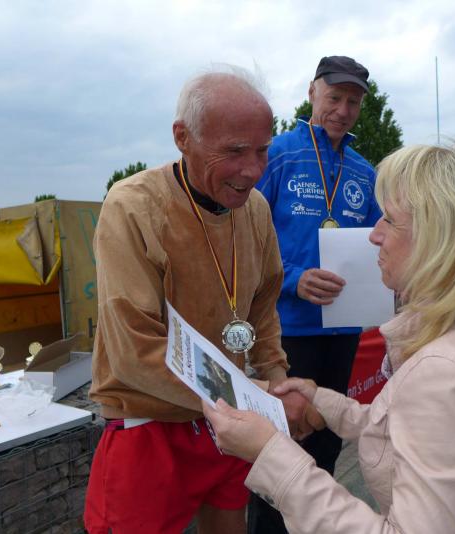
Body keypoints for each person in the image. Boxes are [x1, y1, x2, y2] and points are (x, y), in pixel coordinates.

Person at [205, 142, 455, 533]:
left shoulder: (446, 372)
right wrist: (327, 405)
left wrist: (270, 453)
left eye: (390, 220)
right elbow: (428, 437)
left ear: (441, 240)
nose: (374, 235)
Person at [84, 67, 308, 534]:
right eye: (235, 151)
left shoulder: (256, 209)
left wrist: (277, 378)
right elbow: (134, 352)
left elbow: (263, 308)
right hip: (152, 424)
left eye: (262, 150)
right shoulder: (132, 206)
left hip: (231, 424)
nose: (253, 170)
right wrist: (256, 396)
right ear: (183, 138)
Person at [250, 56, 381, 533]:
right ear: (312, 93)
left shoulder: (364, 172)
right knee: (281, 446)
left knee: (326, 443)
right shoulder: (277, 154)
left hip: (343, 330)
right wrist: (292, 278)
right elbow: (246, 236)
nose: (343, 110)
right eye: (335, 97)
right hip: (288, 330)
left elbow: (381, 240)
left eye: (353, 102)